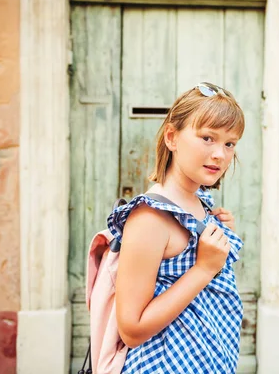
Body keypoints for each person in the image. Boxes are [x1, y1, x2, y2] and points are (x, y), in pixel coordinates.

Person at [107, 82, 245, 373]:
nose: (220, 154)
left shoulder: (200, 204)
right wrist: (204, 268)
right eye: (208, 138)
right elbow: (131, 330)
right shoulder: (150, 219)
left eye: (229, 143)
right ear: (172, 137)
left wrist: (218, 231)